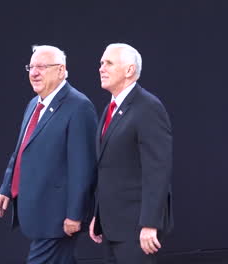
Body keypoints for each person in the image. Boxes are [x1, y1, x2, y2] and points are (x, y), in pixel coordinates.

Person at [0, 45, 98, 264]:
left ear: (61, 70)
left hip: (58, 218)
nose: (34, 73)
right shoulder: (34, 104)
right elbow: (21, 150)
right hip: (36, 211)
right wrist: (7, 187)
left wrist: (75, 214)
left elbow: (83, 168)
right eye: (31, 67)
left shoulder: (79, 107)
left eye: (41, 66)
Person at [89, 43, 173, 264]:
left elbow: (157, 170)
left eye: (108, 63)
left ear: (129, 70)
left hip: (136, 229)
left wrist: (150, 224)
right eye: (101, 63)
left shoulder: (148, 107)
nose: (101, 68)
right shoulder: (111, 108)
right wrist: (99, 215)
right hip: (111, 226)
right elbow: (109, 167)